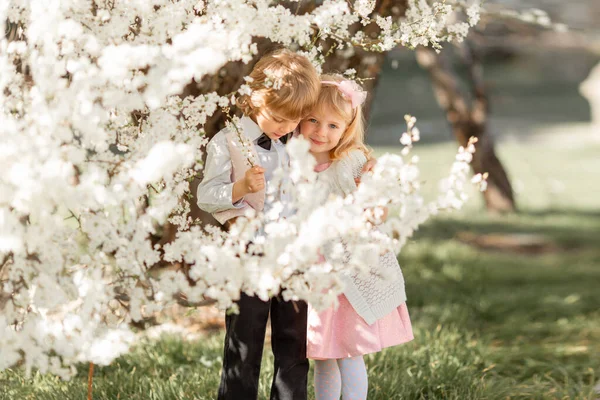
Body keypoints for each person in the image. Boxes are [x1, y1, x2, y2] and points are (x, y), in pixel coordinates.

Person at [197, 48, 321, 400]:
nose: (285, 128)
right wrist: (241, 187)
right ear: (254, 98)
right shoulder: (226, 142)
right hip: (248, 254)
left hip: (294, 255)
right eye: (278, 118)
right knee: (244, 341)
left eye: (294, 121)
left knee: (295, 343)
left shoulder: (298, 143)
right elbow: (207, 195)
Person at [298, 74, 414, 400]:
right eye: (313, 121)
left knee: (349, 354)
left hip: (348, 276)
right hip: (313, 274)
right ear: (300, 119)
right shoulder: (293, 162)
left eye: (333, 126)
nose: (321, 131)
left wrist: (372, 197)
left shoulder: (354, 162)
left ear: (347, 129)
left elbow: (378, 214)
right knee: (323, 356)